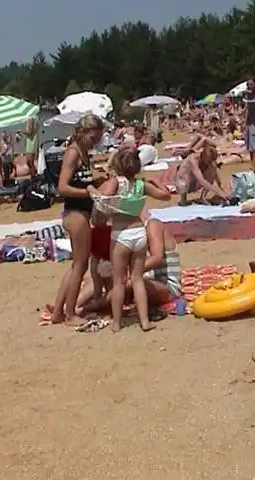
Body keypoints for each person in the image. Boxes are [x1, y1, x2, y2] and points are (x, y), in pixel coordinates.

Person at [91, 149, 171, 332]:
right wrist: (158, 182)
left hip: (121, 234)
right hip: (139, 232)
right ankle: (144, 321)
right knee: (137, 279)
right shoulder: (141, 184)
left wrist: (92, 190)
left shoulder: (115, 182)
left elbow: (103, 201)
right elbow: (165, 196)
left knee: (119, 281)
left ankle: (117, 322)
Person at [52, 114, 105, 325]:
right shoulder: (73, 152)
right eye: (93, 138)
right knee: (80, 266)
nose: (95, 143)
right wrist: (89, 192)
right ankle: (70, 314)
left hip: (81, 213)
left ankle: (58, 312)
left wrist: (95, 180)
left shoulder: (83, 152)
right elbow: (62, 187)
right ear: (82, 133)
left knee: (76, 265)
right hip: (75, 213)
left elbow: (80, 180)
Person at [76, 218, 182, 315]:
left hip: (167, 286)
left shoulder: (153, 225)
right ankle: (74, 305)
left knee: (127, 283)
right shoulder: (132, 235)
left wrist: (126, 271)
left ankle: (90, 307)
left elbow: (156, 258)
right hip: (141, 279)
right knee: (96, 273)